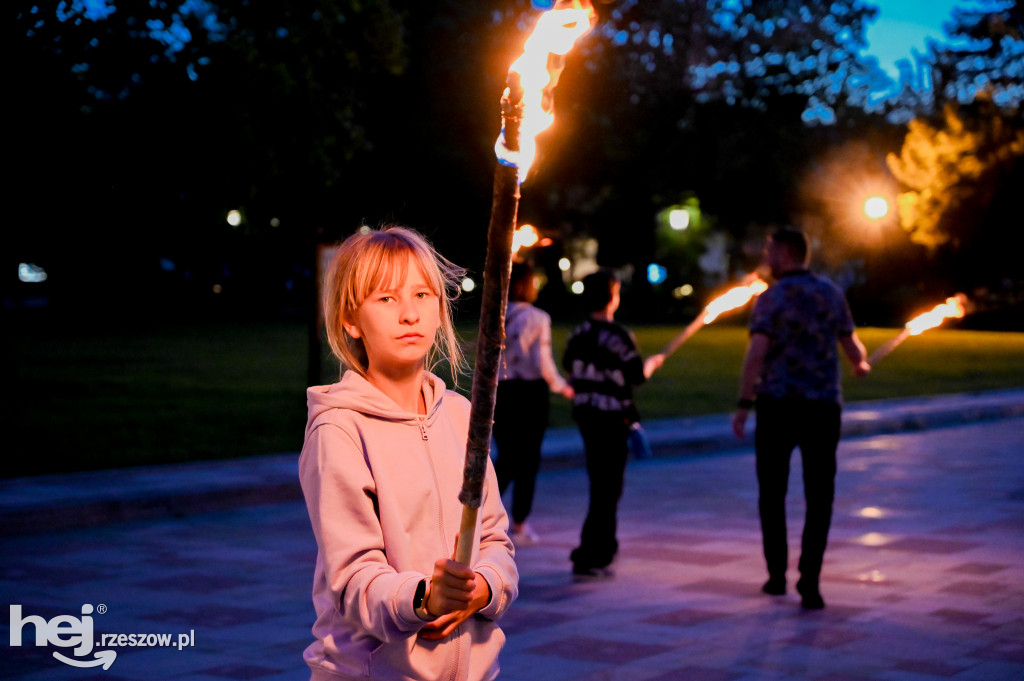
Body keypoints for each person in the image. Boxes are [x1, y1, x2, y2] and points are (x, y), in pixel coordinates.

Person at [299, 226, 518, 681]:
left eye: (422, 295)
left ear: (440, 311)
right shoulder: (340, 429)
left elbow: (496, 539)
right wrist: (425, 598)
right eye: (385, 299)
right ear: (350, 320)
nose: (409, 314)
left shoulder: (461, 416)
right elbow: (353, 579)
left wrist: (483, 587)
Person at [732, 227, 871, 610]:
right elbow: (850, 342)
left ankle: (776, 576)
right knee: (819, 496)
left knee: (772, 494)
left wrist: (744, 402)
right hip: (823, 407)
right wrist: (860, 363)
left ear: (788, 252)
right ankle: (810, 581)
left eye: (770, 250)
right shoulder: (831, 292)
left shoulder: (772, 297)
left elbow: (756, 353)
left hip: (778, 405)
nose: (766, 257)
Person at [562, 269, 646, 579]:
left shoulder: (578, 334)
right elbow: (635, 375)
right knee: (608, 487)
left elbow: (571, 365)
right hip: (611, 418)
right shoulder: (619, 337)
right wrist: (649, 365)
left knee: (603, 484)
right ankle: (590, 554)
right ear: (612, 297)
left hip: (586, 416)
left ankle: (604, 549)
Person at [493, 262, 574, 547]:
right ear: (525, 284)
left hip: (501, 392)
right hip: (530, 395)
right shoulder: (538, 318)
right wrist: (564, 387)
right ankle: (520, 524)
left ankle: (480, 516)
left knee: (504, 459)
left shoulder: (495, 315)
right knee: (527, 461)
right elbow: (542, 361)